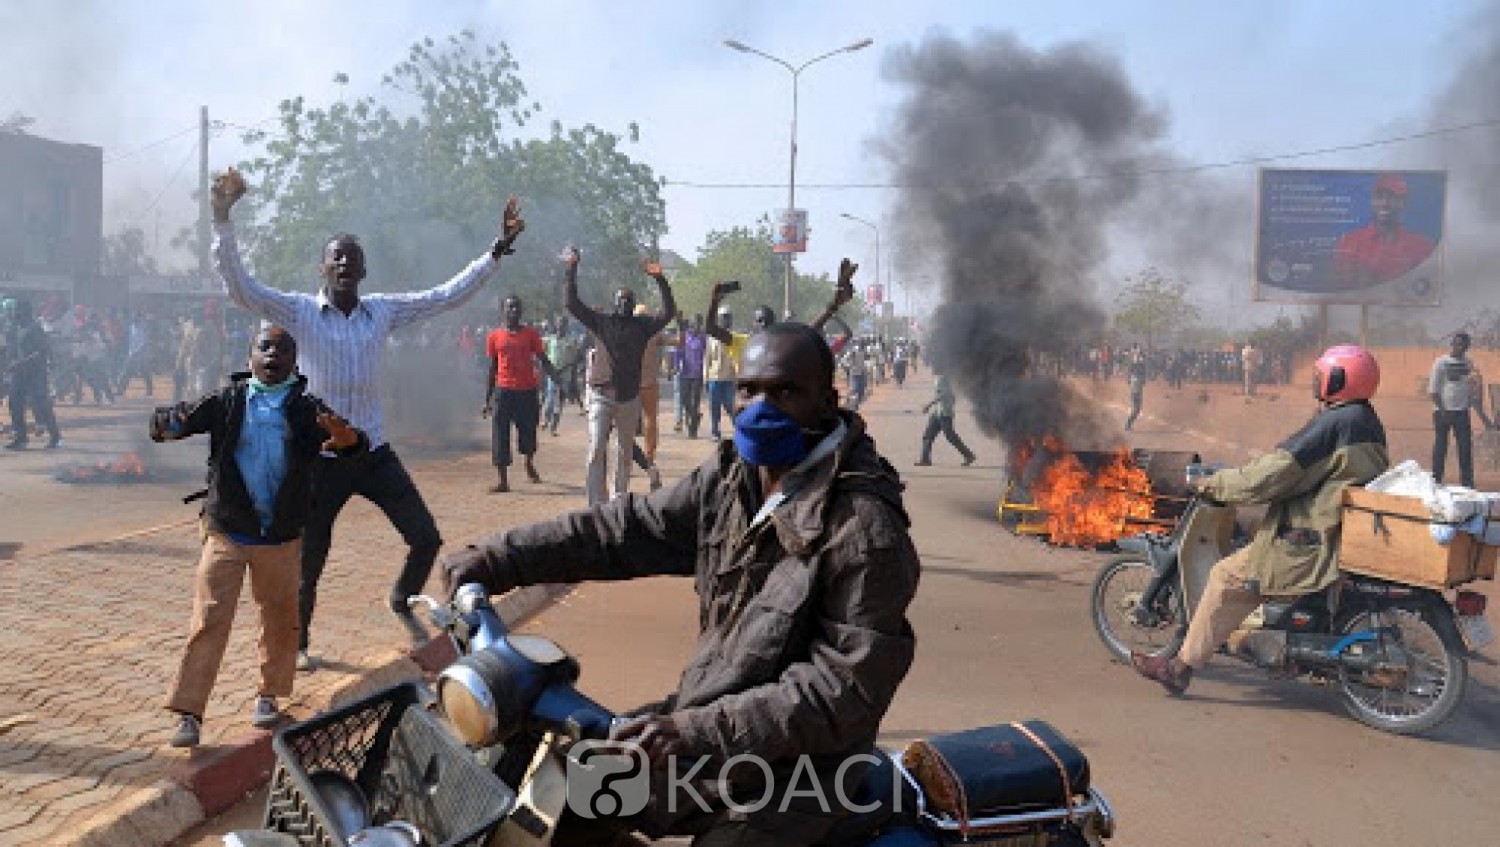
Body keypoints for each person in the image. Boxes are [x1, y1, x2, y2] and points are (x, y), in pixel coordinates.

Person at [442, 323, 921, 845]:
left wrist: (691, 731)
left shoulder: (864, 529)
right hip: (701, 747)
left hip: (797, 779)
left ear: (826, 404)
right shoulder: (732, 477)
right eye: (749, 389)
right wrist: (498, 559)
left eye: (785, 392)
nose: (761, 407)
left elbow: (839, 691)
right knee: (553, 804)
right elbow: (621, 531)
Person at [211, 167, 526, 666]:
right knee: (309, 561)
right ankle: (300, 644)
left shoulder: (381, 312)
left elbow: (444, 296)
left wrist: (496, 251)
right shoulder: (297, 312)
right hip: (319, 460)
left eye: (351, 261)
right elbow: (241, 288)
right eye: (335, 258)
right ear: (322, 269)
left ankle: (401, 597)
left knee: (425, 538)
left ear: (362, 272)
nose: (343, 266)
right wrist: (222, 220)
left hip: (373, 452)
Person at [1132, 345, 1389, 694]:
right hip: (1336, 527)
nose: (1316, 383)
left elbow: (1272, 475)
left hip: (1309, 538)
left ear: (1339, 380)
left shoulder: (1336, 423)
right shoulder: (1366, 420)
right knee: (1254, 533)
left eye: (1321, 377)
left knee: (1225, 576)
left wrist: (1216, 484)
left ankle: (1180, 667)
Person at [154, 326, 365, 747]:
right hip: (227, 531)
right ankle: (189, 714)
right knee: (210, 620)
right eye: (264, 347)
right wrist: (167, 424)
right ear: (250, 356)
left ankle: (268, 696)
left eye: (283, 349)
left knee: (279, 619)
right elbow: (173, 423)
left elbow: (347, 442)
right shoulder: (227, 401)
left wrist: (348, 440)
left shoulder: (308, 410)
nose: (273, 354)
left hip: (281, 537)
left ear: (294, 361)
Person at [563, 247, 677, 505]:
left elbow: (668, 313)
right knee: (596, 449)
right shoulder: (602, 322)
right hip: (602, 395)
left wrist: (660, 279)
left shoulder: (642, 326)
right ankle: (595, 504)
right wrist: (571, 269)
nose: (624, 303)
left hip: (629, 398)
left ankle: (618, 500)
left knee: (625, 453)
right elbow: (571, 303)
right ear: (615, 304)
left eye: (629, 300)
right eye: (621, 300)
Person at [483, 295, 559, 493]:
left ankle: (528, 462)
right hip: (503, 391)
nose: (514, 311)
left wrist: (556, 379)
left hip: (527, 391)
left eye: (517, 307)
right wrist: (487, 399)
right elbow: (492, 368)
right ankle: (503, 481)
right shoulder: (494, 337)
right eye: (510, 308)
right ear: (503, 311)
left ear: (521, 311)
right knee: (500, 435)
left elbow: (543, 358)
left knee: (528, 434)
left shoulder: (531, 335)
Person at [1332, 173, 1436, 289]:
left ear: (1403, 202)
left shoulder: (1421, 247)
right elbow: (1341, 290)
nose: (1384, 203)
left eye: (1392, 197)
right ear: (1372, 201)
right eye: (1379, 197)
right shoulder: (1349, 242)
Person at [1430, 331, 1493, 489]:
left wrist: (1479, 411)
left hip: (1462, 412)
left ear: (1467, 347)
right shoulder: (1440, 363)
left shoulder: (1468, 363)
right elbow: (1433, 391)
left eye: (1463, 345)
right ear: (1452, 344)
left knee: (1465, 449)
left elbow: (1471, 388)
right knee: (1441, 447)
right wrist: (1443, 410)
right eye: (1457, 344)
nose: (1460, 348)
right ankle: (1436, 481)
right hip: (1443, 412)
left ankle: (1467, 484)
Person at [4, 299, 62, 449]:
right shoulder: (15, 327)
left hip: (36, 372)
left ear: (24, 311)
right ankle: (21, 437)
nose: (15, 314)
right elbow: (12, 349)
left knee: (41, 404)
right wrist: (11, 362)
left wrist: (21, 362)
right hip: (19, 372)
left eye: (17, 310)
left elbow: (41, 351)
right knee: (14, 402)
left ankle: (55, 437)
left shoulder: (35, 328)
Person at [635, 304, 667, 489]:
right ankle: (646, 458)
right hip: (638, 383)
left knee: (648, 422)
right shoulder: (653, 334)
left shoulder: (652, 335)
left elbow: (679, 342)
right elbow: (679, 341)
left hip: (645, 383)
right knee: (645, 422)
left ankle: (648, 457)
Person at [916, 371, 976, 467]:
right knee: (927, 436)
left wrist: (928, 405)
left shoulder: (942, 378)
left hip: (944, 413)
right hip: (937, 412)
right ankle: (925, 459)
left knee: (951, 437)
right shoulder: (942, 377)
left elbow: (943, 394)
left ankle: (969, 455)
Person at [543, 315, 581, 436]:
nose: (560, 326)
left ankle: (553, 427)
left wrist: (567, 370)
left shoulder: (571, 341)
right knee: (549, 399)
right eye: (559, 323)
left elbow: (574, 359)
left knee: (559, 402)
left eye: (563, 323)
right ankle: (545, 420)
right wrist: (549, 370)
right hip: (552, 375)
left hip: (565, 376)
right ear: (556, 325)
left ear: (566, 326)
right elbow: (545, 357)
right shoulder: (549, 340)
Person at [673, 314, 706, 438]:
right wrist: (676, 366)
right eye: (695, 323)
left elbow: (707, 354)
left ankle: (693, 431)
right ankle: (695, 416)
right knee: (685, 400)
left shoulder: (703, 338)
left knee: (695, 401)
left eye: (699, 324)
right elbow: (678, 353)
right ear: (691, 324)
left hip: (698, 374)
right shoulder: (685, 337)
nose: (697, 326)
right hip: (685, 373)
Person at [1125, 355, 1147, 430]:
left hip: (1136, 393)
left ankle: (1128, 424)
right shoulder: (1136, 377)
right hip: (1136, 394)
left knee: (1137, 410)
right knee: (1136, 410)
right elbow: (1143, 381)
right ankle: (1128, 424)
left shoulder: (1134, 376)